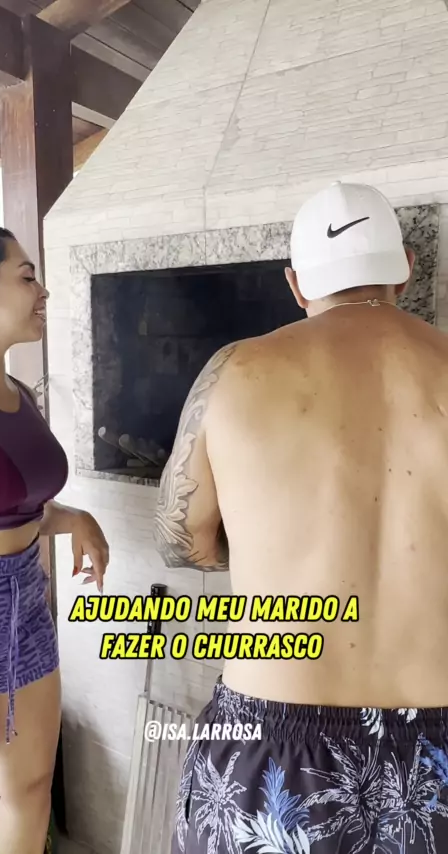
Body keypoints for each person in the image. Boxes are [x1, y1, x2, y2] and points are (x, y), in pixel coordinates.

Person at [154, 181, 448, 853]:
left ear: (295, 283)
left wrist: (269, 547)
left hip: (272, 748)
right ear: (405, 267)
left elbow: (180, 542)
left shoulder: (235, 371)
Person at [0, 225, 109, 854]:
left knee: (29, 788)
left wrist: (72, 518)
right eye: (27, 277)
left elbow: (8, 507)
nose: (43, 291)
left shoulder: (20, 395)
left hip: (23, 602)